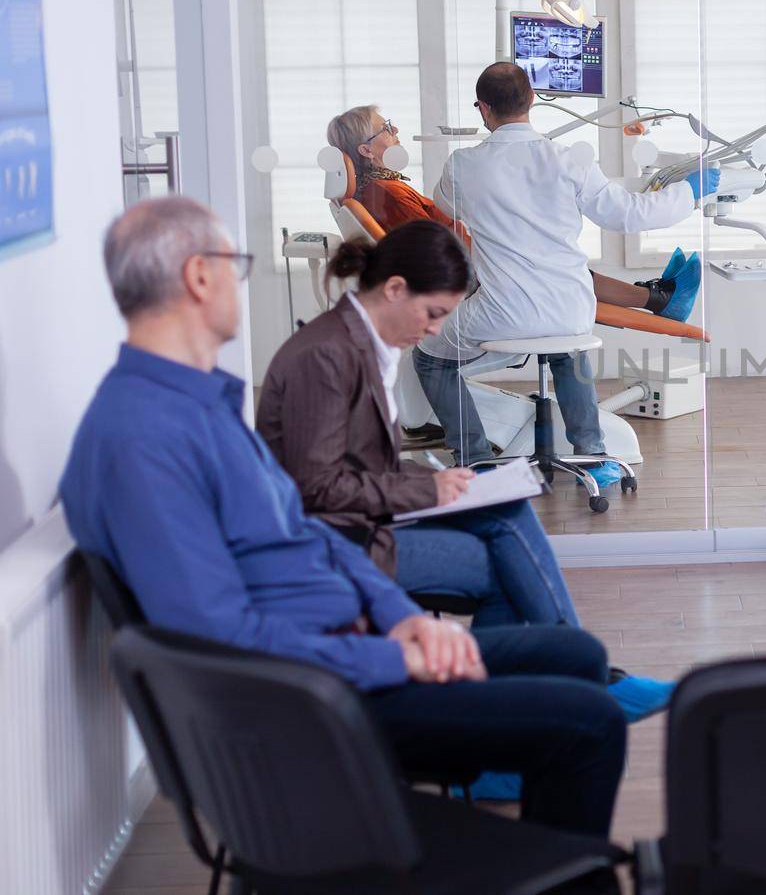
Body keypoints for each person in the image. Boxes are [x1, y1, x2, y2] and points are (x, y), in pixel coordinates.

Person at [60, 196, 625, 836]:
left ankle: (531, 849)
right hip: (320, 700)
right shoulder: (143, 438)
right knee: (589, 720)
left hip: (351, 644)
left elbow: (302, 535)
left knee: (574, 655)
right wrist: (393, 659)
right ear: (199, 277)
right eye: (237, 265)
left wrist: (403, 619)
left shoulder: (200, 405)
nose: (240, 286)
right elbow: (216, 637)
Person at [254, 218, 673, 723]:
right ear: (394, 289)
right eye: (433, 314)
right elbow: (315, 489)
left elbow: (357, 468)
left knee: (506, 511)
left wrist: (440, 485)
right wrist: (425, 489)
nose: (434, 330)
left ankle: (547, 703)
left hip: (364, 522)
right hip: (338, 543)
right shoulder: (325, 358)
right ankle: (564, 695)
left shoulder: (359, 345)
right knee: (507, 565)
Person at [412, 63, 719, 484]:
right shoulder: (568, 159)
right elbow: (630, 214)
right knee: (568, 352)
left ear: (483, 109)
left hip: (502, 312)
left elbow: (445, 210)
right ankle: (593, 457)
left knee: (429, 356)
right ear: (532, 101)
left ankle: (477, 460)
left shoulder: (462, 165)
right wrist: (690, 190)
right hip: (571, 308)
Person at [326, 103, 700, 322]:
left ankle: (654, 295)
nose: (396, 131)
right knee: (556, 264)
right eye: (386, 129)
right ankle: (657, 299)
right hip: (470, 271)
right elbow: (435, 240)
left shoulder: (381, 189)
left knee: (553, 261)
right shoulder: (387, 192)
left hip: (471, 259)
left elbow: (438, 225)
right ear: (366, 151)